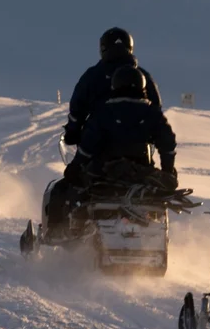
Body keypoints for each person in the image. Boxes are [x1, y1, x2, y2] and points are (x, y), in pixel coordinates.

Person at [44, 65, 177, 234]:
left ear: (115, 86)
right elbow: (168, 144)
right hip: (142, 176)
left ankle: (62, 233)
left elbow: (87, 146)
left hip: (104, 174)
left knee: (66, 190)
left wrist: (75, 167)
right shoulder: (152, 113)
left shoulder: (104, 112)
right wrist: (168, 170)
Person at [63, 28, 161, 145]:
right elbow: (156, 106)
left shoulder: (92, 75)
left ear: (104, 48)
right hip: (137, 140)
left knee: (80, 161)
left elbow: (77, 107)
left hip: (98, 139)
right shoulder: (142, 75)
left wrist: (72, 131)